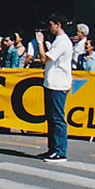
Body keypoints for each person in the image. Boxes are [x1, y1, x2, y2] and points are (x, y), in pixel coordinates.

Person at [36, 14, 72, 163]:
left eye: (51, 25)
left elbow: (44, 58)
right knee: (51, 117)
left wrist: (40, 43)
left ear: (58, 24)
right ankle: (52, 148)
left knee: (57, 118)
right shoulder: (58, 40)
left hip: (58, 83)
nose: (49, 28)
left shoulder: (62, 41)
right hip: (51, 82)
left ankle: (60, 151)